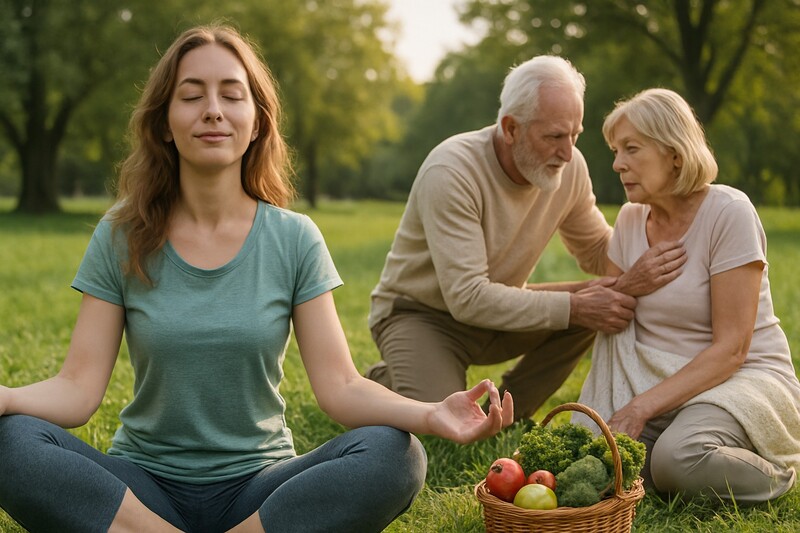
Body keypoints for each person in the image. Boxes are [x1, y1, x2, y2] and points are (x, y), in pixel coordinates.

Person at [0, 24, 515, 533]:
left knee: (395, 454)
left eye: (232, 94)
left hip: (258, 488)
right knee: (11, 441)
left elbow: (340, 386)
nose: (213, 110)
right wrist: (6, 397)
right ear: (164, 122)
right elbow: (77, 389)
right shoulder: (121, 235)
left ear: (256, 122)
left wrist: (428, 414)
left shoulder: (294, 238)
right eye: (191, 95)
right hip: (143, 485)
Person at [365, 55, 685, 421]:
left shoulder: (570, 167)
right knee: (440, 426)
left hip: (501, 306)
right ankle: (382, 382)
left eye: (574, 135)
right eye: (554, 136)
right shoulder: (452, 170)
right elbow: (467, 298)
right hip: (421, 314)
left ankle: (507, 412)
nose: (567, 152)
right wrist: (576, 306)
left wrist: (667, 242)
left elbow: (598, 249)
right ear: (511, 128)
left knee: (601, 303)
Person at [576, 87, 800, 503]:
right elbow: (611, 313)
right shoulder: (628, 220)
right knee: (590, 460)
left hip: (738, 379)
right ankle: (690, 457)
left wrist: (639, 408)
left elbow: (733, 349)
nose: (617, 163)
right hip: (654, 381)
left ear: (674, 154)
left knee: (676, 460)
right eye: (615, 150)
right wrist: (631, 282)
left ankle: (780, 474)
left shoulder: (729, 213)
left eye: (631, 149)